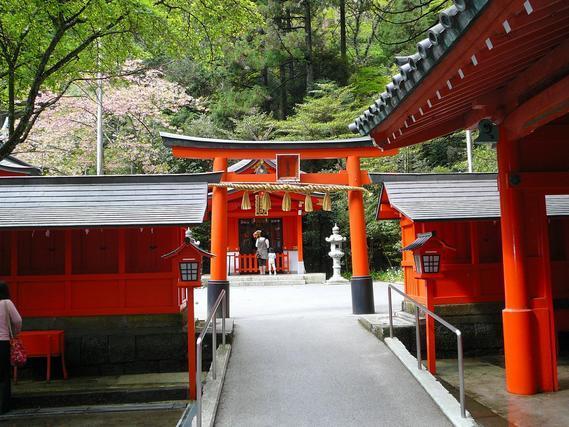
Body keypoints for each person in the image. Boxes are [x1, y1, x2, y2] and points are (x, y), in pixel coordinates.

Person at [0, 281, 21, 414]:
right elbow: (18, 320)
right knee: (3, 375)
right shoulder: (7, 303)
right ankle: (4, 406)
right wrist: (14, 332)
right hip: (3, 341)